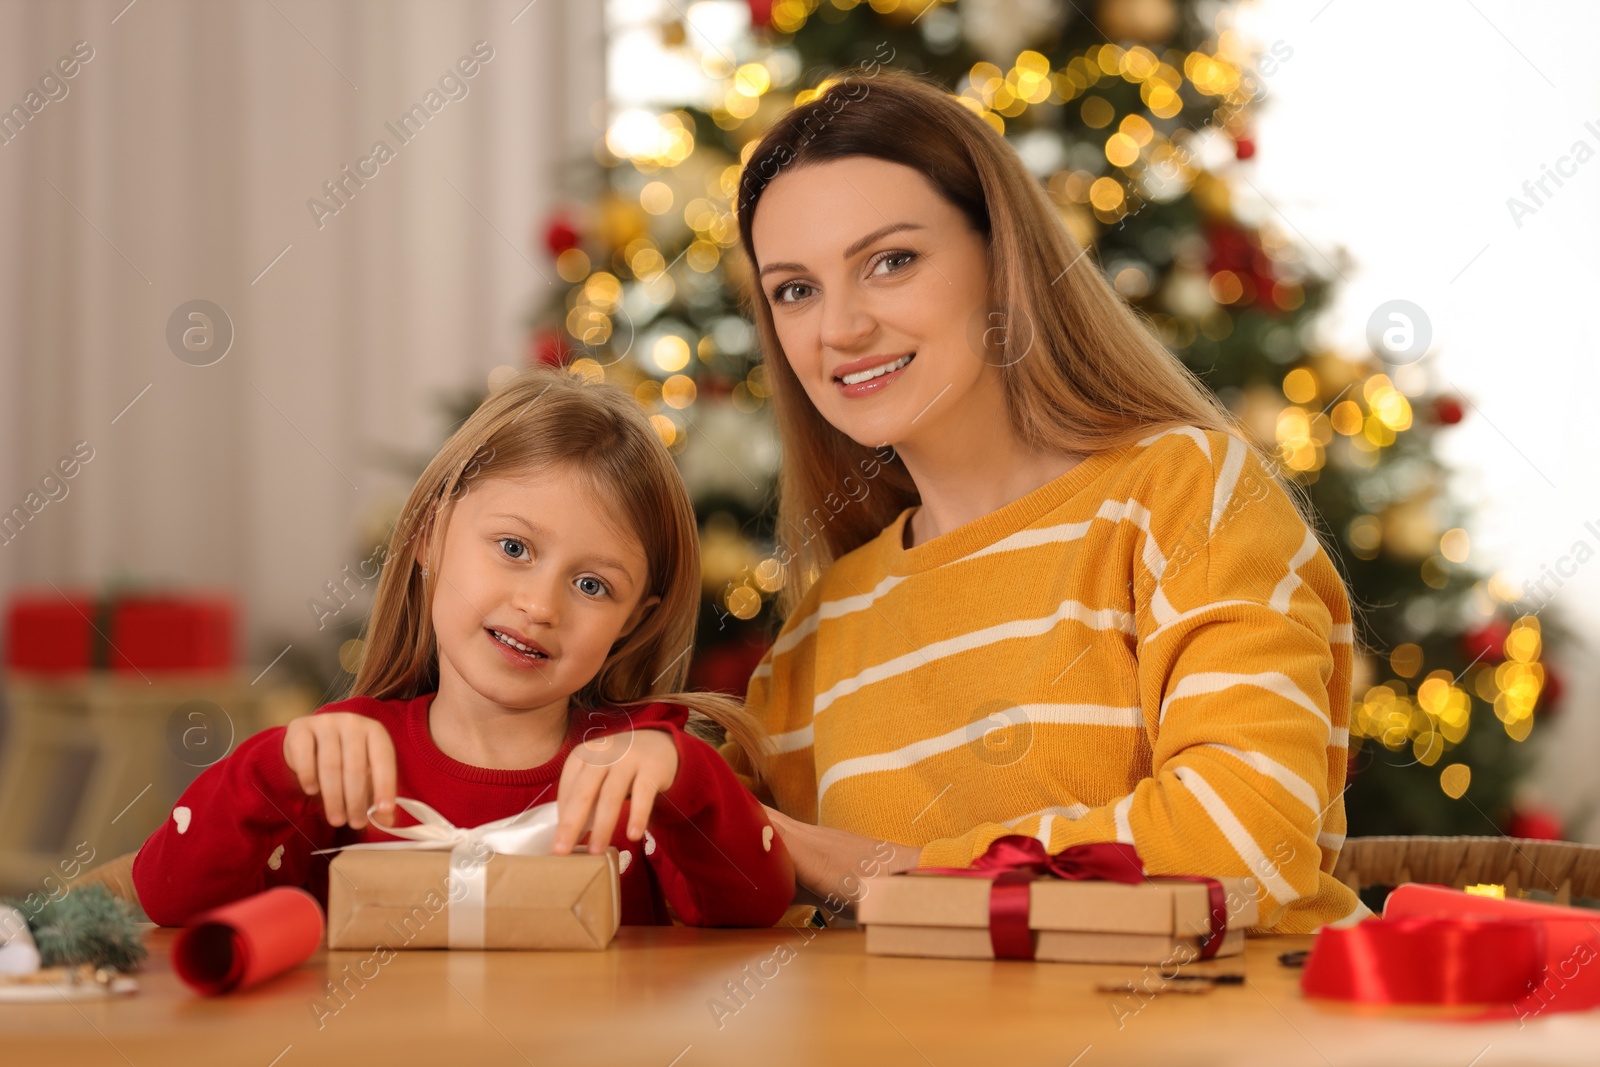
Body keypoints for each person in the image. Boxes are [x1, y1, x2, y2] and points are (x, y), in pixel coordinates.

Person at [723, 68, 1370, 932]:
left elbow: (1247, 845)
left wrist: (900, 876)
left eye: (891, 261)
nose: (838, 328)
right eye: (795, 290)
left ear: (1001, 261)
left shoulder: (1185, 494)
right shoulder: (824, 624)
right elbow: (690, 858)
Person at [133, 369, 794, 929]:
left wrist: (688, 777)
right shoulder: (344, 760)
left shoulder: (638, 771)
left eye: (592, 584)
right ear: (427, 533)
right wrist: (272, 768)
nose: (541, 605)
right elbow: (168, 897)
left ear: (631, 620)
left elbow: (755, 902)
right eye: (513, 548)